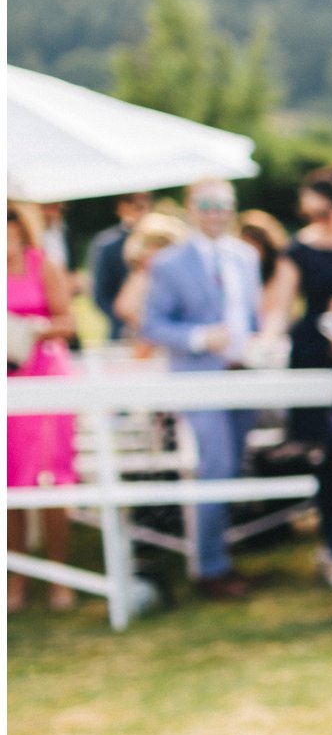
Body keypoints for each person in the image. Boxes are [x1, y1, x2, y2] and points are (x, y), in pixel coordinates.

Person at [139, 178, 264, 599]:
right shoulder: (169, 263)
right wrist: (198, 338)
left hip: (242, 374)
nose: (215, 212)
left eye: (223, 205)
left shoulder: (246, 256)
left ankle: (222, 553)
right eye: (207, 204)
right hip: (198, 378)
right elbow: (152, 325)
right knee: (216, 465)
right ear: (192, 208)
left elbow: (252, 315)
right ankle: (210, 567)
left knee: (234, 466)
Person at [8, 204, 79, 613]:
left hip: (44, 375)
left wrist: (30, 329)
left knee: (50, 478)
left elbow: (67, 321)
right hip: (7, 379)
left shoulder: (43, 265)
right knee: (10, 480)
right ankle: (18, 576)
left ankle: (59, 573)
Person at [262, 169, 332, 446]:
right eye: (312, 215)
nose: (319, 221)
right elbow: (280, 308)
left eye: (325, 213)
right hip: (312, 343)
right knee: (310, 429)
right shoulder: (298, 249)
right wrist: (268, 344)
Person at [112, 211, 190, 350]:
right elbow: (124, 308)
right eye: (150, 246)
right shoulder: (142, 274)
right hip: (145, 343)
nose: (152, 251)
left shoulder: (179, 275)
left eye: (160, 245)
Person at [86, 191, 153, 339]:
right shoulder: (107, 244)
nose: (142, 210)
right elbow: (100, 295)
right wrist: (123, 322)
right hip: (121, 330)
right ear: (122, 208)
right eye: (137, 206)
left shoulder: (159, 240)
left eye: (145, 205)